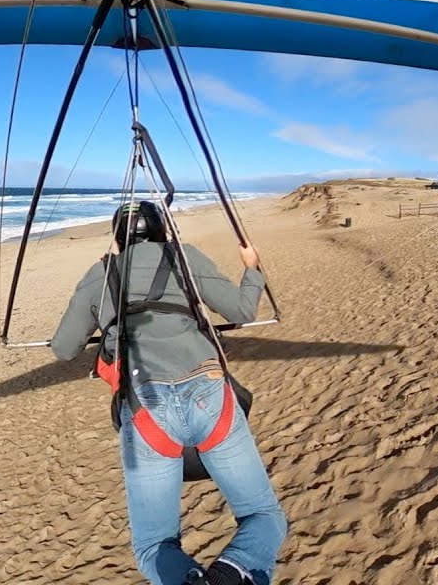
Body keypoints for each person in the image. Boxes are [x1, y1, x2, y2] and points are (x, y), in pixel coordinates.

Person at [51, 200, 288, 585]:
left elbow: (64, 349)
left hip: (146, 409)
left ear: (118, 238)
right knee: (265, 517)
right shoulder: (185, 256)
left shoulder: (101, 272)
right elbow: (243, 311)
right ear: (162, 230)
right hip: (207, 393)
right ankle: (236, 570)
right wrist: (251, 269)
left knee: (154, 546)